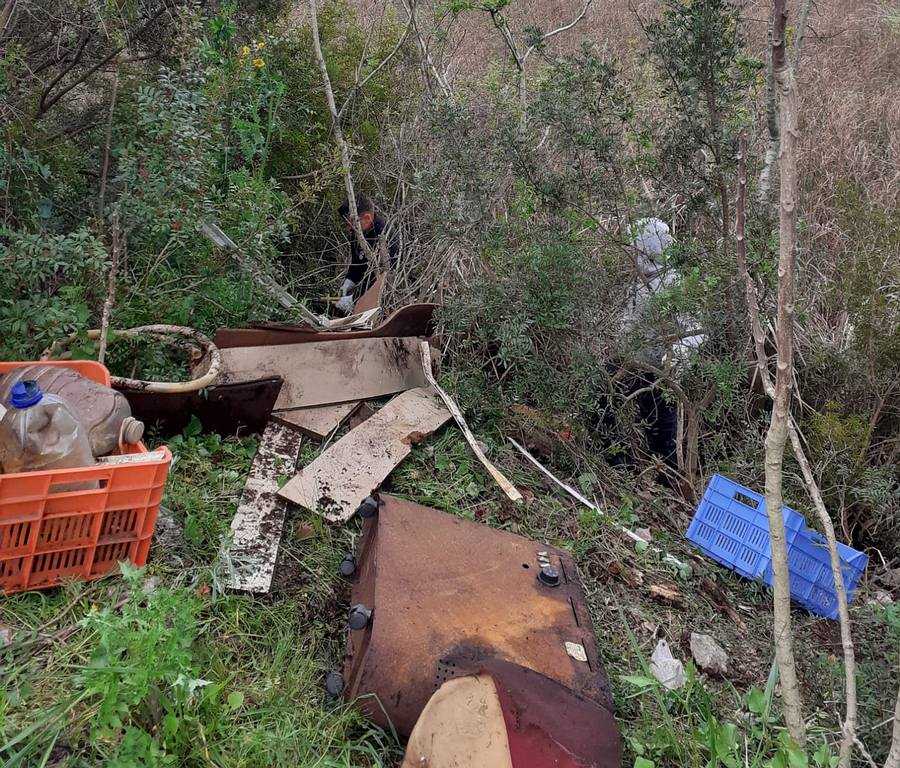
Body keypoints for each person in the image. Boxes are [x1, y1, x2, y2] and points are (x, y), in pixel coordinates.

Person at [335, 193, 398, 314]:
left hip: (384, 296)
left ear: (367, 218)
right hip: (364, 287)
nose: (349, 229)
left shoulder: (385, 235)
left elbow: (384, 277)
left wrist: (354, 299)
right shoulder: (357, 231)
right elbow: (356, 263)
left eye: (350, 224)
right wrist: (348, 282)